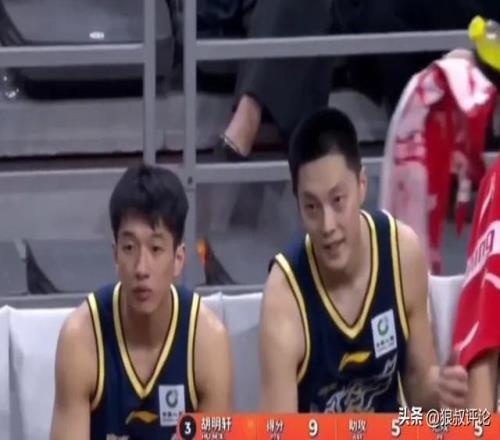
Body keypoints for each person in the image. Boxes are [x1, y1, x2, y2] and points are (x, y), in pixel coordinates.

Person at [259, 107, 469, 413]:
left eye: (337, 200)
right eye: (312, 207)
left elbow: (419, 383)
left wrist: (443, 388)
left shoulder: (402, 253)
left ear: (361, 185)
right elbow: (277, 429)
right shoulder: (283, 297)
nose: (327, 225)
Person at [50, 164, 233, 440]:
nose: (141, 268)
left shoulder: (207, 341)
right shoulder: (81, 338)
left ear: (178, 259)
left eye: (156, 248)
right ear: (115, 256)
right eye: (129, 248)